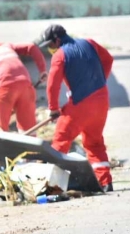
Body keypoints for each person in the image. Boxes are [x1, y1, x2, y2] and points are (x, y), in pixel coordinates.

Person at [36, 24, 114, 192]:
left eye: (50, 45)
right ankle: (105, 181)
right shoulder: (90, 43)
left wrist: (53, 108)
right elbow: (108, 59)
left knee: (60, 140)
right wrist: (99, 82)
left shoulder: (60, 56)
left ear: (57, 40)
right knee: (94, 143)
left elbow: (52, 85)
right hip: (101, 100)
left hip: (80, 104)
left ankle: (51, 185)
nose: (49, 48)